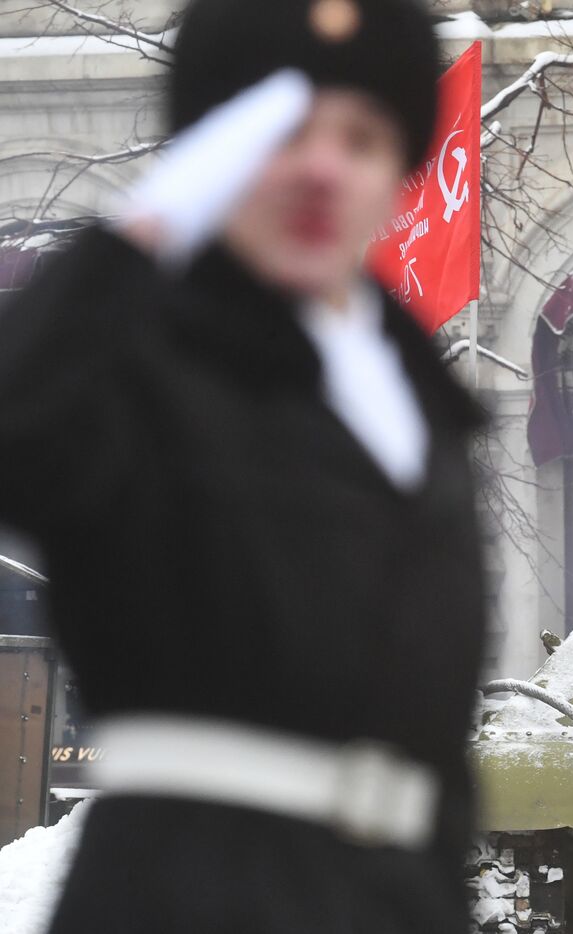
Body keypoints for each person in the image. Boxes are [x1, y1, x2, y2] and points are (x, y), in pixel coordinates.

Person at [0, 1, 487, 931]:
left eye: (363, 136)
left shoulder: (419, 402)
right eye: (283, 128)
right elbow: (18, 430)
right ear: (215, 151)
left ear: (400, 170)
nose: (321, 167)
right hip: (190, 888)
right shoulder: (143, 354)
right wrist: (145, 231)